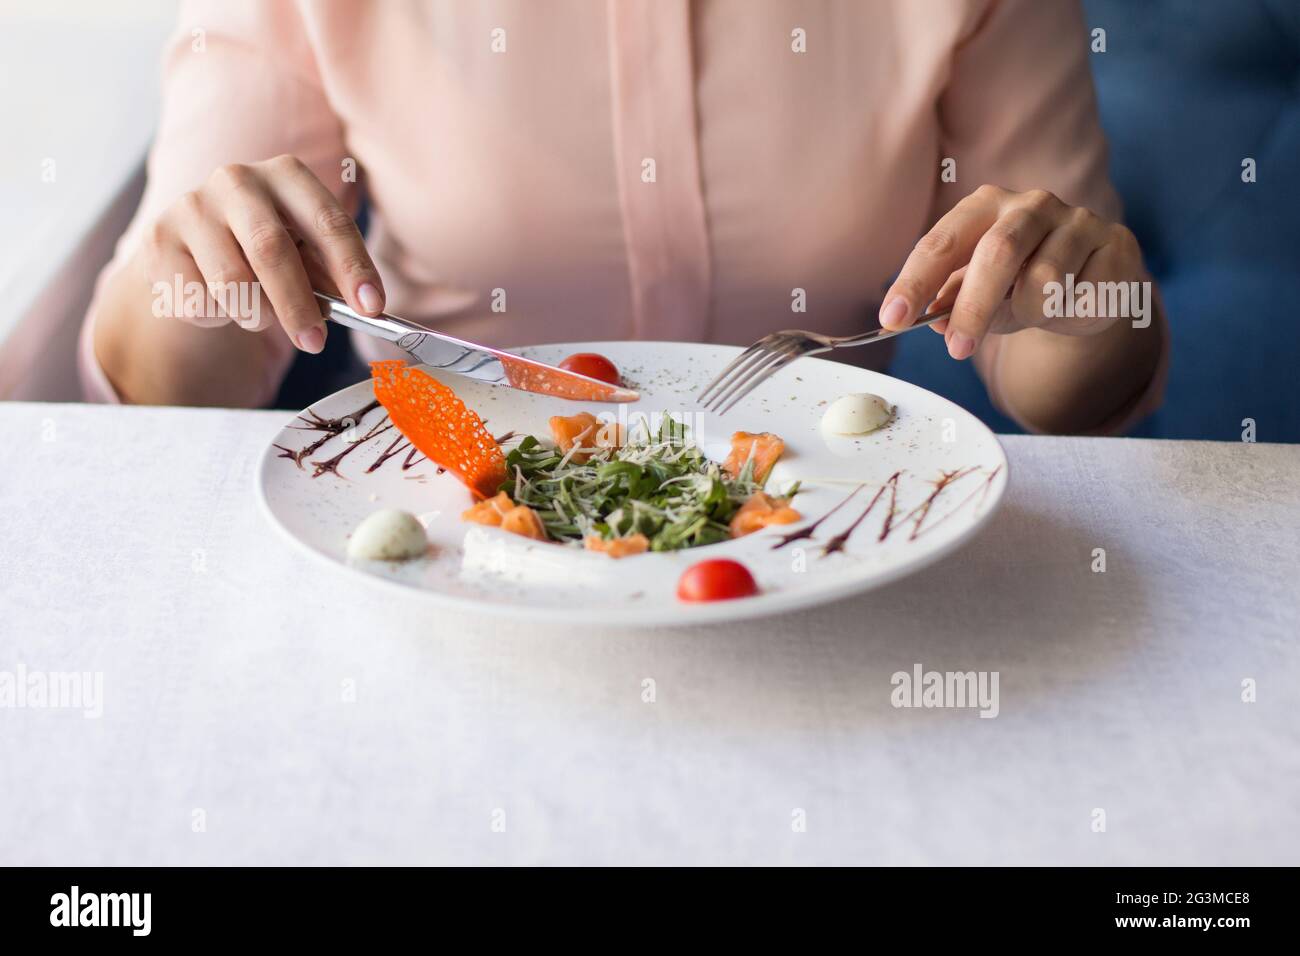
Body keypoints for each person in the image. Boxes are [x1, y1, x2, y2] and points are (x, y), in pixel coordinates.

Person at [84, 0, 1166, 434]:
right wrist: (202, 267)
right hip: (441, 543)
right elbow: (179, 378)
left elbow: (1050, 370)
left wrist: (1086, 306)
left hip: (824, 540)